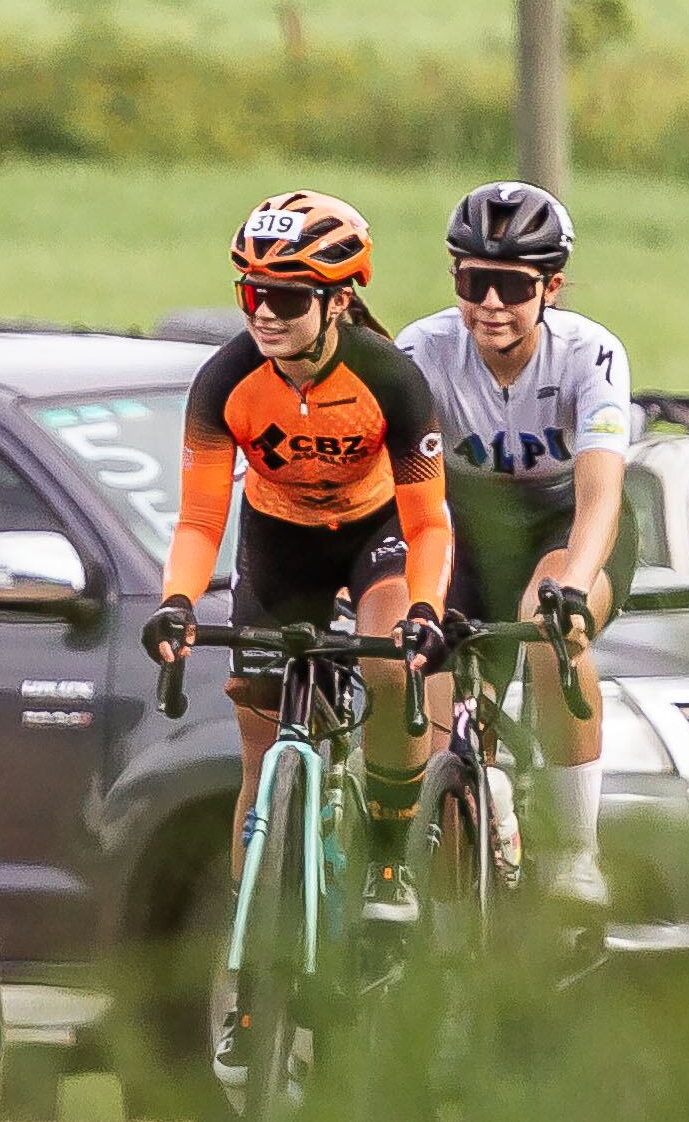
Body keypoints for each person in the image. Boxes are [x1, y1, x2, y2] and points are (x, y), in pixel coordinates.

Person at [142, 192, 457, 922]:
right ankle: (249, 944)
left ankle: (388, 860)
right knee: (260, 759)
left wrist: (424, 612)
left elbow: (430, 523)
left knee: (389, 666)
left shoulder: (389, 378)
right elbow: (200, 518)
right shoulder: (225, 381)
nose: (264, 313)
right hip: (280, 541)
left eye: (285, 297)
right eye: (251, 293)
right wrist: (177, 602)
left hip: (376, 533)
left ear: (339, 300)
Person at [398, 180, 629, 909]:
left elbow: (600, 492)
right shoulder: (422, 350)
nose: (491, 304)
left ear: (551, 288)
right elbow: (398, 489)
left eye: (514, 287)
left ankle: (575, 854)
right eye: (474, 283)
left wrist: (575, 585)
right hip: (465, 529)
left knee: (550, 626)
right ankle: (455, 890)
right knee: (436, 706)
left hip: (563, 524)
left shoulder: (589, 354)